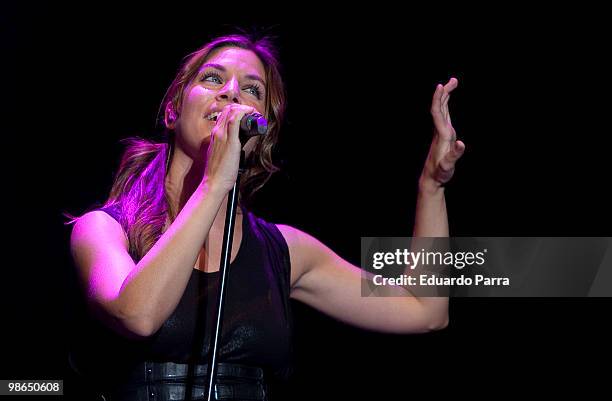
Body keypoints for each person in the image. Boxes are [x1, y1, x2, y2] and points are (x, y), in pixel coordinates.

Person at [67, 33, 465, 401]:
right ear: (173, 110)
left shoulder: (284, 249)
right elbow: (137, 314)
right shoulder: (104, 229)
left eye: (251, 89)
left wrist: (432, 187)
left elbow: (424, 308)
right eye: (212, 79)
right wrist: (212, 184)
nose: (231, 94)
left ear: (262, 129)